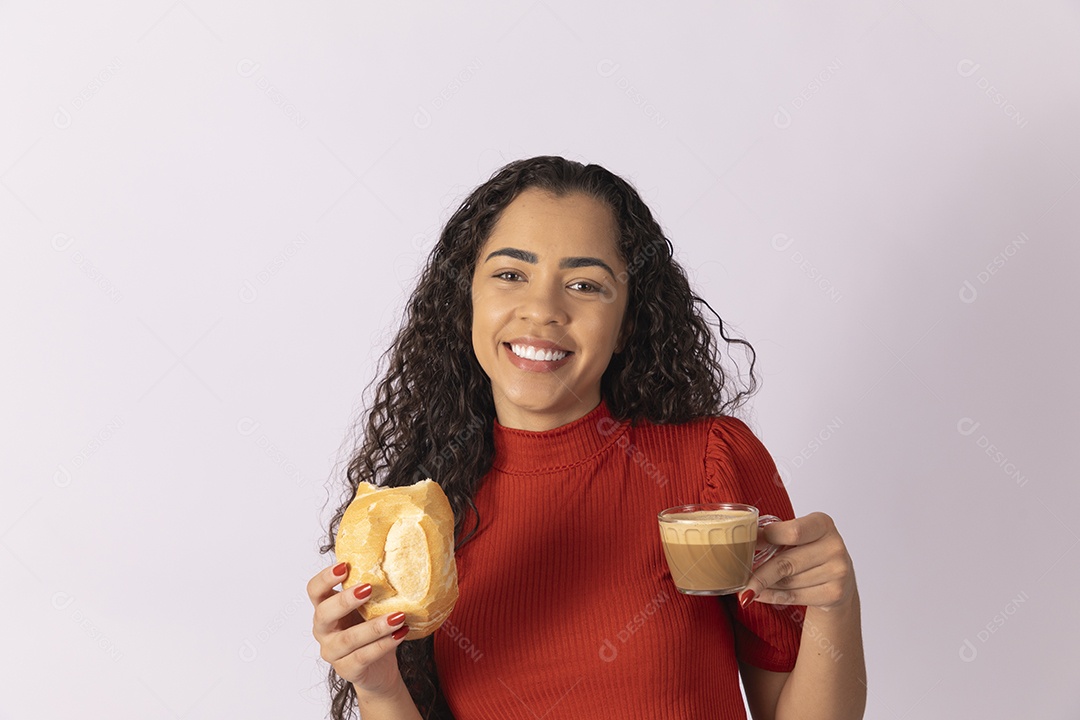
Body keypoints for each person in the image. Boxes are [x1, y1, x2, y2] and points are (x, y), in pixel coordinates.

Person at [307, 156, 866, 720]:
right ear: (465, 297)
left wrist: (834, 608)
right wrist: (378, 686)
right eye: (510, 274)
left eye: (584, 284)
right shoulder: (416, 523)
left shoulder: (710, 464)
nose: (543, 310)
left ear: (627, 321)